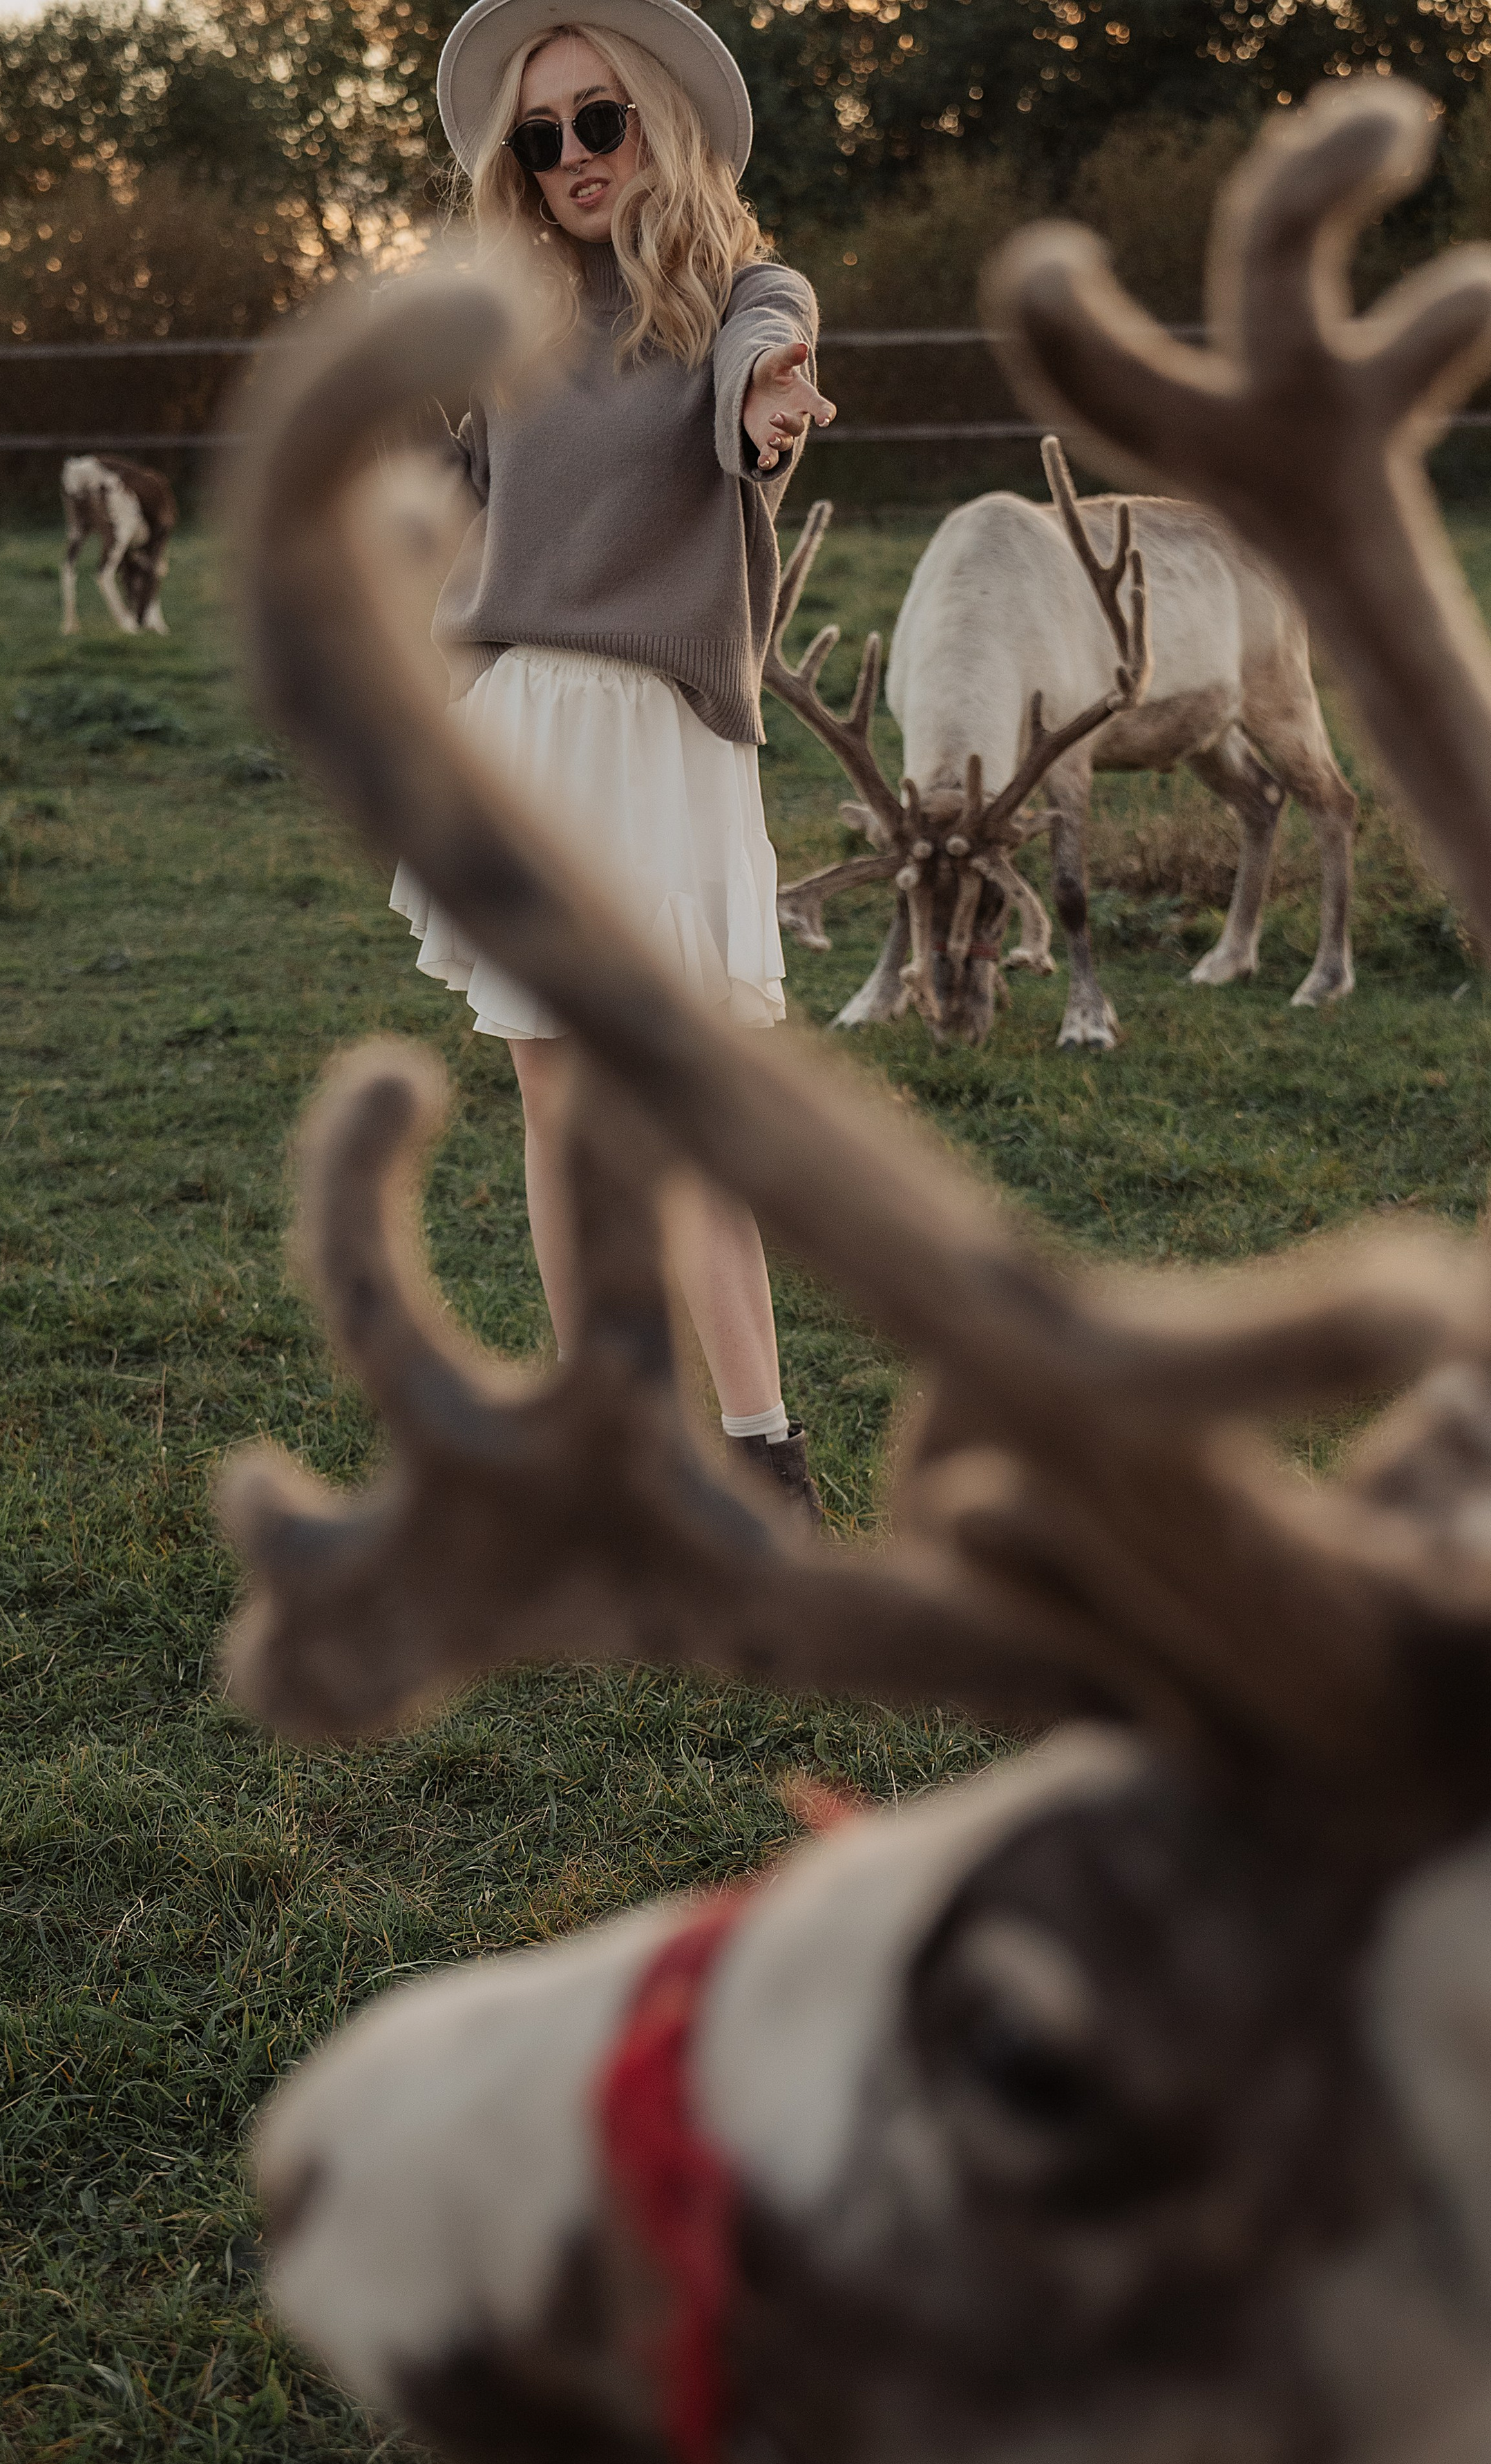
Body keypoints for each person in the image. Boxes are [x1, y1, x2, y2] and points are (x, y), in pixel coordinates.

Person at [392, 0, 835, 1521]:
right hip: (517, 737)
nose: (574, 154)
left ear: (658, 114)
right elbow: (444, 502)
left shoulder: (737, 288)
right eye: (542, 133)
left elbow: (764, 366)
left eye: (601, 117)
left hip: (657, 743)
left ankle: (761, 1444)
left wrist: (773, 407)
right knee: (557, 1107)